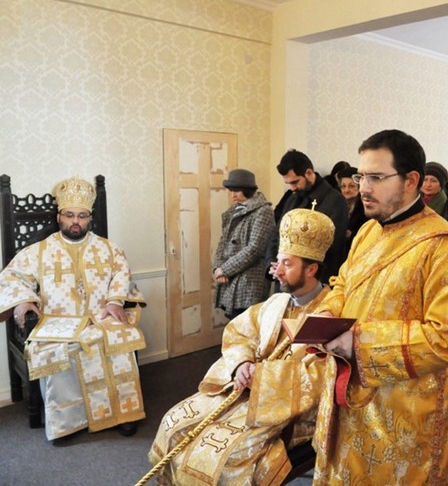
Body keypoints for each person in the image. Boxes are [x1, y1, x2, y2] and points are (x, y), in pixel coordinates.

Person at [313, 129, 448, 485]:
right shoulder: (368, 232)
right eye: (361, 176)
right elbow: (343, 282)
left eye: (376, 178)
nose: (363, 188)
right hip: (352, 396)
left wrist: (357, 342)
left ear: (411, 181)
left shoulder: (442, 247)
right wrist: (329, 312)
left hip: (406, 417)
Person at [149, 208, 336, 485]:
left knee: (223, 458)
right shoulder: (276, 302)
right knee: (173, 424)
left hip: (284, 410)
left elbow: (322, 375)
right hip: (241, 390)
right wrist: (241, 364)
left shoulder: (330, 313)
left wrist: (263, 378)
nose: (277, 271)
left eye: (287, 264)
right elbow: (239, 333)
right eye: (278, 262)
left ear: (311, 269)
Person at [0, 176, 146, 441]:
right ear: (59, 217)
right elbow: (11, 277)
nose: (75, 221)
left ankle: (123, 413)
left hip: (101, 317)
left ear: (89, 218)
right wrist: (23, 300)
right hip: (57, 321)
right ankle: (68, 422)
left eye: (81, 215)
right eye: (69, 215)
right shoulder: (39, 251)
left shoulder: (109, 249)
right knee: (59, 350)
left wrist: (115, 301)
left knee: (118, 340)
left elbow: (122, 273)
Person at [268, 149, 349, 281]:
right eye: (289, 184)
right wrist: (272, 263)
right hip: (286, 276)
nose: (292, 188)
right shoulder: (292, 199)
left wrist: (294, 266)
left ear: (309, 173)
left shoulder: (336, 201)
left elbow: (333, 246)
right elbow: (277, 234)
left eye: (295, 182)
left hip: (316, 279)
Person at [213, 169, 276, 319]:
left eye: (236, 190)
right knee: (233, 324)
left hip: (250, 281)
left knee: (247, 324)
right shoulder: (233, 210)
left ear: (248, 189)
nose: (232, 195)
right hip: (231, 277)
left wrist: (225, 269)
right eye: (231, 190)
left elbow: (255, 249)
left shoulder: (264, 211)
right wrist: (218, 268)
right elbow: (223, 242)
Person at [422, 161, 448, 232]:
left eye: (433, 181)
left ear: (441, 184)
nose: (428, 184)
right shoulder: (410, 202)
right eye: (425, 180)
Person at [337, 167, 367, 256]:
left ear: (359, 187)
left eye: (351, 186)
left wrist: (352, 234)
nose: (346, 190)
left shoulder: (366, 207)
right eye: (343, 186)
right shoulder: (337, 205)